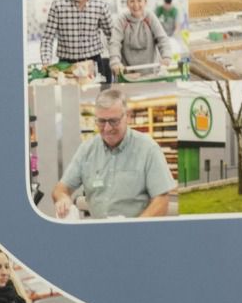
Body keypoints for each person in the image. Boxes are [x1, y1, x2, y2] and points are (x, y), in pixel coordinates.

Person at [52, 88, 177, 219]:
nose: (107, 128)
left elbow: (161, 201)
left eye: (113, 121)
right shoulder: (86, 149)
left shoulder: (148, 149)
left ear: (127, 116)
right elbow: (60, 189)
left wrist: (134, 227)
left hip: (137, 230)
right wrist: (62, 198)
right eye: (101, 121)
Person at [40, 0, 113, 79]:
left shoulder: (100, 5)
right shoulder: (58, 6)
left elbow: (112, 36)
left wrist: (116, 59)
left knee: (96, 90)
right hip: (66, 65)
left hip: (93, 63)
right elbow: (47, 38)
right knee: (68, 91)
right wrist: (46, 62)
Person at [108, 0, 171, 78]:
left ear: (145, 2)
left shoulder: (150, 17)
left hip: (151, 73)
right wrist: (115, 62)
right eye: (132, 1)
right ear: (127, 4)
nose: (136, 5)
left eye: (139, 0)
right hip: (129, 75)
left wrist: (166, 56)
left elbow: (162, 39)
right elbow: (115, 43)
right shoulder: (122, 19)